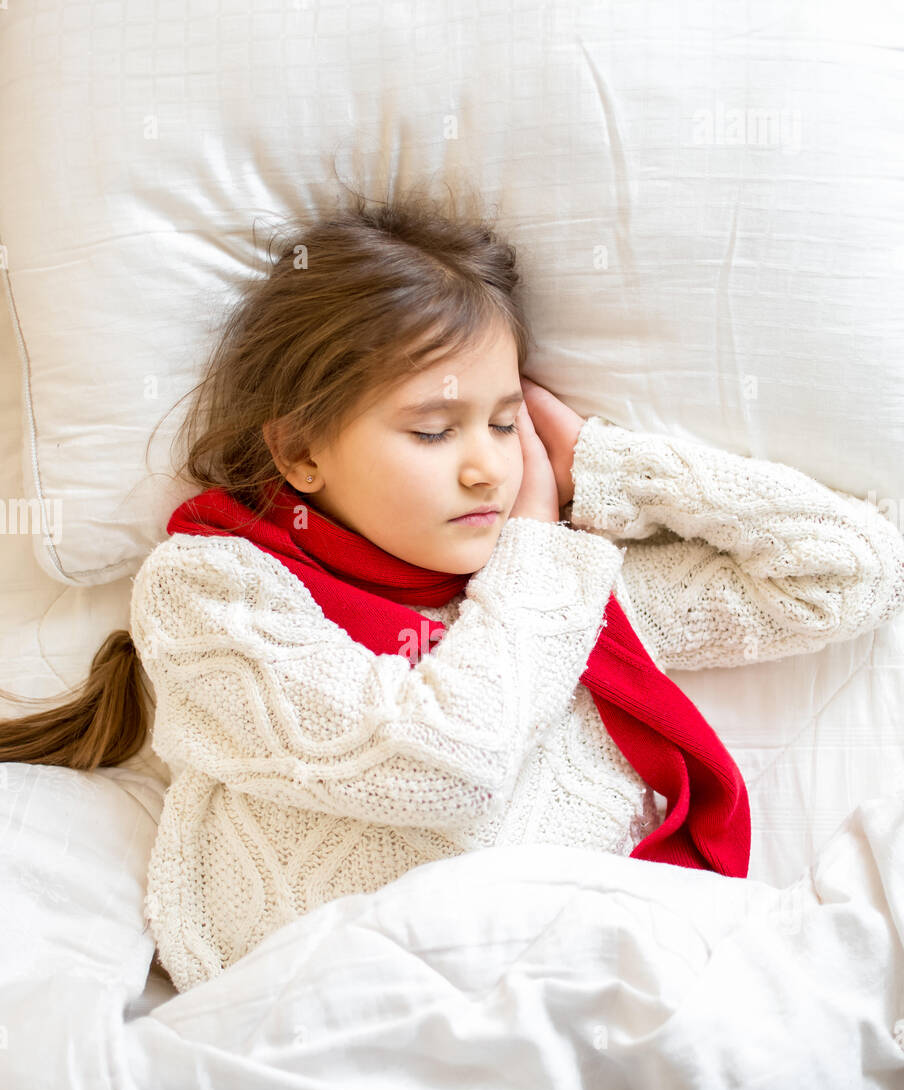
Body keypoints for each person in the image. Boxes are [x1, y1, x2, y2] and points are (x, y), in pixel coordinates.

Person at [2, 185, 902, 994]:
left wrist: (598, 459)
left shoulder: (573, 592)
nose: (487, 468)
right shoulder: (215, 591)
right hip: (322, 1017)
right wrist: (540, 549)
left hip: (570, 1003)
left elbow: (849, 572)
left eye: (506, 422)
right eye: (434, 431)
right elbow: (443, 767)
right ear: (300, 452)